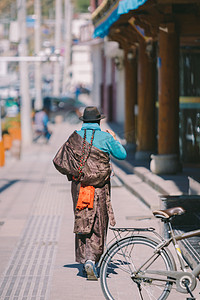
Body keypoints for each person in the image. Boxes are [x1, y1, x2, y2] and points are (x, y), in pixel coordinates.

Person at [53, 106, 127, 280]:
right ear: (99, 121)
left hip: (80, 187)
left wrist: (76, 173)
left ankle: (86, 258)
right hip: (100, 187)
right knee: (99, 222)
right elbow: (122, 155)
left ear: (84, 121)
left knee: (83, 220)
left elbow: (58, 160)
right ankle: (93, 259)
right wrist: (114, 138)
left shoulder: (74, 138)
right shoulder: (106, 137)